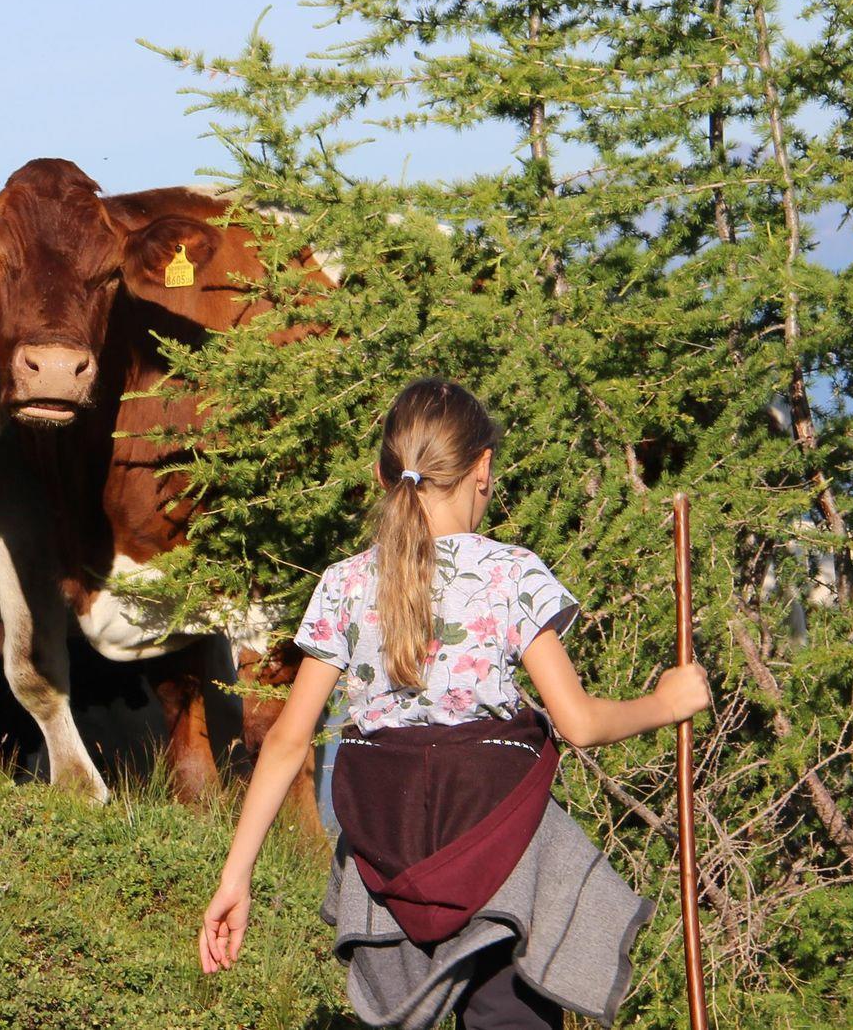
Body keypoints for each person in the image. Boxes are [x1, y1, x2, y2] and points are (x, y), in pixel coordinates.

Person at [197, 377, 712, 1029]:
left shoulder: (343, 584)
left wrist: (235, 876)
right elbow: (579, 723)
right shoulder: (511, 573)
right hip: (493, 838)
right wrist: (664, 702)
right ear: (483, 469)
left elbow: (287, 742)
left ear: (383, 476)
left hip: (386, 839)